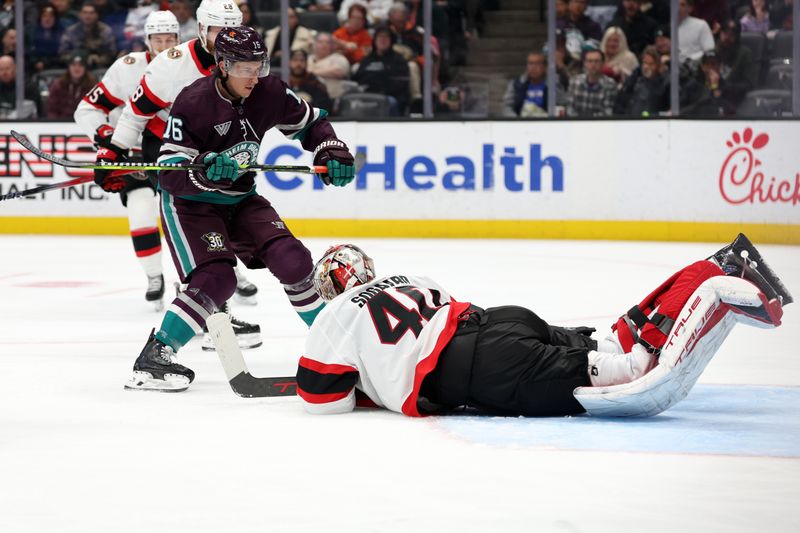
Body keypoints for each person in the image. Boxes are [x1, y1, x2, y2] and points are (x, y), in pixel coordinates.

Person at [295, 237, 790, 417]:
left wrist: (367, 384)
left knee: (634, 369)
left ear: (331, 289)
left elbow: (322, 397)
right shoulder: (410, 278)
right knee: (616, 337)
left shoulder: (337, 315)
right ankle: (710, 264)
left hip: (480, 368)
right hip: (501, 320)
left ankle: (712, 285)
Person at [125, 26, 356, 392]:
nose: (253, 76)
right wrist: (204, 168)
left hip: (241, 198)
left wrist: (331, 149)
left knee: (293, 259)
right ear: (221, 65)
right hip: (191, 205)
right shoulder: (193, 101)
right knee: (217, 279)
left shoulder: (271, 91)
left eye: (258, 66)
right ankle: (155, 355)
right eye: (243, 68)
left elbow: (311, 122)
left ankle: (337, 345)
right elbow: (169, 170)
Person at [91, 0, 261, 345]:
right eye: (217, 31)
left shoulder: (245, 62)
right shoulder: (172, 66)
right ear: (200, 29)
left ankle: (212, 310)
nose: (225, 38)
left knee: (219, 223)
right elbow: (137, 112)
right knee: (195, 224)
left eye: (232, 30)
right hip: (171, 151)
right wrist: (114, 151)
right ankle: (213, 314)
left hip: (219, 154)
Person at [74, 11, 180, 309]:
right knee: (141, 212)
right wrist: (108, 136)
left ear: (178, 39)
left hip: (179, 156)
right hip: (133, 155)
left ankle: (227, 275)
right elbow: (87, 110)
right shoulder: (128, 68)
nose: (163, 44)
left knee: (195, 217)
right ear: (147, 40)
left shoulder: (189, 66)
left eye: (169, 38)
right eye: (157, 39)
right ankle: (154, 276)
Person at [352, 26, 410, 115]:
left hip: (389, 96)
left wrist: (379, 85)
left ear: (391, 40)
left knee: (391, 102)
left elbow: (401, 83)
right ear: (375, 40)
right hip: (367, 95)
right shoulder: (366, 60)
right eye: (380, 37)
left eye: (386, 37)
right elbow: (358, 79)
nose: (383, 40)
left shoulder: (399, 60)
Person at [58, 1, 117, 68]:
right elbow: (62, 53)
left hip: (100, 67)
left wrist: (99, 59)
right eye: (85, 12)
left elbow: (111, 53)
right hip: (75, 67)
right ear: (80, 14)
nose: (88, 16)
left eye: (91, 13)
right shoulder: (71, 31)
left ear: (97, 15)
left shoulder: (106, 31)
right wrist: (77, 58)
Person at [613, 45, 669, 115]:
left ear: (658, 66)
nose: (646, 67)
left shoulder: (665, 85)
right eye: (644, 63)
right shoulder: (634, 82)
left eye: (651, 64)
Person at [566, 49, 617, 117]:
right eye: (590, 61)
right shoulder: (574, 81)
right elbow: (570, 108)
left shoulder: (610, 84)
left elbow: (607, 112)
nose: (593, 64)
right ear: (584, 63)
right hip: (576, 124)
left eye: (597, 61)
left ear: (603, 63)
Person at [47, 53, 96, 118]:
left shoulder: (92, 86)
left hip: (85, 124)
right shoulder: (58, 85)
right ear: (69, 67)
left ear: (85, 68)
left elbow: (96, 111)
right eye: (73, 65)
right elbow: (52, 110)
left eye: (80, 65)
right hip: (61, 124)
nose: (77, 68)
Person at [503, 51, 549, 117]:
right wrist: (516, 121)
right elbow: (506, 106)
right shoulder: (517, 84)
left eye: (538, 63)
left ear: (544, 67)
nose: (533, 67)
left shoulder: (552, 85)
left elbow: (562, 105)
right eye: (530, 63)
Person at [307, 31, 351, 99]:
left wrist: (310, 72)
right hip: (308, 98)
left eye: (328, 42)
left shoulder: (339, 58)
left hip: (332, 98)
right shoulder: (308, 58)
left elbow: (339, 71)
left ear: (332, 46)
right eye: (320, 42)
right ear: (315, 44)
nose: (324, 45)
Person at [28, 4, 67, 72]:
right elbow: (29, 51)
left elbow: (63, 54)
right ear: (40, 18)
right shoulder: (31, 32)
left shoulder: (62, 33)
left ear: (55, 18)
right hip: (34, 68)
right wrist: (35, 62)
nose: (47, 19)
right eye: (44, 16)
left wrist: (46, 62)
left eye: (51, 16)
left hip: (56, 67)